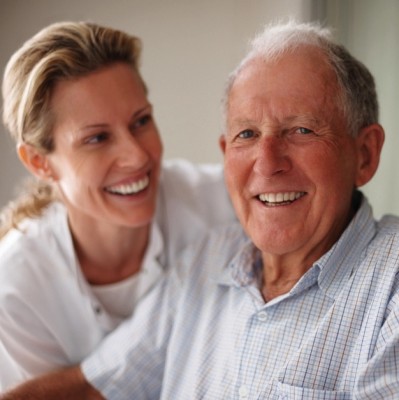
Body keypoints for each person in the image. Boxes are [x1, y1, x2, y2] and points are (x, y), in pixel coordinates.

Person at [3, 19, 399, 399]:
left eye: (301, 130)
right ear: (226, 155)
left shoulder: (390, 289)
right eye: (247, 134)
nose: (267, 162)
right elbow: (94, 387)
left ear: (364, 155)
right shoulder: (204, 260)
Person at [0, 21, 236, 391]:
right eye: (97, 138)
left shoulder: (225, 203)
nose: (137, 155)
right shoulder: (16, 289)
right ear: (39, 162)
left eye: (141, 121)